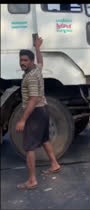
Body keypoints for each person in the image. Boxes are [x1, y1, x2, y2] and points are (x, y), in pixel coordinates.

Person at [16, 37, 61, 190]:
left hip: (35, 113)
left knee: (29, 147)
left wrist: (22, 120)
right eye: (21, 60)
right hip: (43, 111)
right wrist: (37, 48)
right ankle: (54, 164)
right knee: (44, 139)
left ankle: (32, 180)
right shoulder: (36, 69)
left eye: (25, 60)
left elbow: (33, 99)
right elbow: (41, 62)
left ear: (30, 61)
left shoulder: (31, 77)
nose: (23, 63)